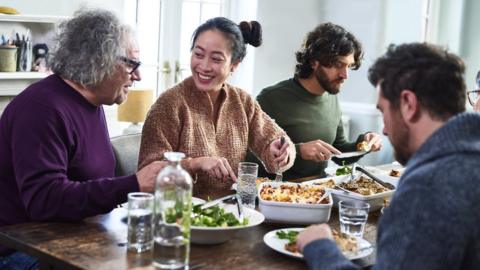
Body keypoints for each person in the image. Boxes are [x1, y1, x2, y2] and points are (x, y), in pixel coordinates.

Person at [0, 9, 166, 268]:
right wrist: (132, 184)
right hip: (22, 251)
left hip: (73, 238)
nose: (138, 75)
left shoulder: (93, 103)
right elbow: (44, 201)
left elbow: (92, 185)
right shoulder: (41, 109)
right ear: (99, 60)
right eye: (131, 64)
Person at [296, 43, 480, 269]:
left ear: (408, 104)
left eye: (383, 111)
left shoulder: (426, 189)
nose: (384, 129)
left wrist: (319, 247)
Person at [138, 17, 296, 199]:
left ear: (234, 65)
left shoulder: (242, 101)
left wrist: (281, 152)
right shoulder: (169, 104)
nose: (204, 66)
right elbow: (147, 176)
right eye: (198, 54)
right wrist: (195, 163)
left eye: (215, 59)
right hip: (180, 216)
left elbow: (275, 144)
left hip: (232, 213)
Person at [249, 22, 382, 180]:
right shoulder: (270, 98)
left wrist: (364, 143)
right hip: (274, 195)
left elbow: (339, 153)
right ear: (314, 62)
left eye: (349, 66)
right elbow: (250, 158)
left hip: (317, 195)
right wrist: (298, 151)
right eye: (339, 65)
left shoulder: (332, 98)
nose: (345, 75)